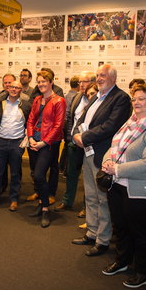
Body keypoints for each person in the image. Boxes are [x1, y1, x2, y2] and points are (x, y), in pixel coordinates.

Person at [101, 84, 146, 289]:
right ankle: (122, 261)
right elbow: (114, 148)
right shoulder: (129, 123)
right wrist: (107, 162)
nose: (137, 103)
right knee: (121, 228)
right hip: (118, 185)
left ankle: (143, 272)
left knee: (141, 234)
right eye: (134, 99)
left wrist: (118, 170)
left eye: (142, 99)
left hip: (143, 190)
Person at [71, 64, 131, 257]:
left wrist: (85, 137)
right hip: (88, 152)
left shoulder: (120, 98)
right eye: (97, 75)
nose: (99, 78)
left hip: (103, 155)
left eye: (103, 75)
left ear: (113, 77)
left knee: (102, 198)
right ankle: (91, 232)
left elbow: (110, 126)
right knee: (90, 196)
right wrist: (75, 136)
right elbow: (81, 120)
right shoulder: (97, 96)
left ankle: (102, 240)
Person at [26, 70, 66, 227]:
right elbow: (30, 120)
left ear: (51, 82)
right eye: (39, 81)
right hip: (34, 141)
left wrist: (44, 142)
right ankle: (42, 202)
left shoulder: (59, 101)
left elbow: (58, 126)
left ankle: (45, 209)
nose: (41, 84)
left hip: (48, 144)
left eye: (44, 81)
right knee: (37, 176)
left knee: (39, 175)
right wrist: (30, 137)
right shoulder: (37, 100)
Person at [55, 72, 96, 214]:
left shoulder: (97, 99)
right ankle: (67, 201)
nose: (81, 85)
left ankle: (87, 207)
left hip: (90, 144)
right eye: (80, 82)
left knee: (89, 177)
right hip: (73, 143)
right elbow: (70, 119)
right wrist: (69, 138)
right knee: (71, 174)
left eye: (85, 81)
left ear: (93, 82)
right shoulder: (77, 97)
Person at [0, 81, 31, 211]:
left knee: (16, 173)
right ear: (8, 88)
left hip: (16, 144)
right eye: (12, 87)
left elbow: (29, 123)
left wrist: (25, 140)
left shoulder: (26, 105)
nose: (14, 89)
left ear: (21, 90)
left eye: (17, 88)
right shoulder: (0, 103)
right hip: (0, 142)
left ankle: (14, 199)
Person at [59, 75, 80, 175]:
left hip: (64, 125)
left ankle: (61, 168)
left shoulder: (67, 95)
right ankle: (66, 171)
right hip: (69, 126)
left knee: (66, 148)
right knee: (70, 149)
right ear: (78, 85)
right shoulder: (76, 97)